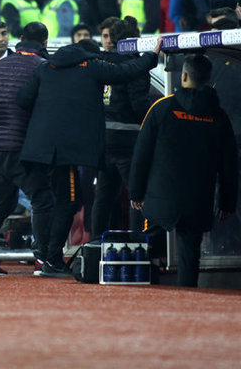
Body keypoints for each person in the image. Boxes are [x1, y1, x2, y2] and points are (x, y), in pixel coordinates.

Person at [15, 36, 162, 276]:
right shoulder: (91, 67)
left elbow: (22, 99)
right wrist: (151, 55)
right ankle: (52, 260)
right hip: (66, 152)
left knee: (45, 202)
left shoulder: (45, 68)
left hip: (37, 151)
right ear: (91, 55)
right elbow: (126, 72)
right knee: (68, 202)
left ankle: (43, 256)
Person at [129, 54, 237, 287]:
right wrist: (228, 202)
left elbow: (141, 154)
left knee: (148, 250)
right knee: (189, 257)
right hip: (198, 199)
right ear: (208, 78)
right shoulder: (219, 116)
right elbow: (229, 163)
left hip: (160, 196)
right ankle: (189, 300)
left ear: (184, 75)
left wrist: (135, 191)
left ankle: (145, 296)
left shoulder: (161, 108)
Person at [0, 22, 50, 275]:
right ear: (45, 43)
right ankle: (43, 259)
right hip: (22, 146)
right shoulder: (41, 66)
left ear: (20, 38)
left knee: (3, 202)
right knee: (42, 199)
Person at [91, 16, 150, 240]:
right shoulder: (134, 65)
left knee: (103, 197)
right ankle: (138, 246)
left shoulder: (102, 62)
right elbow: (139, 105)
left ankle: (96, 246)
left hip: (104, 139)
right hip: (128, 141)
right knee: (137, 196)